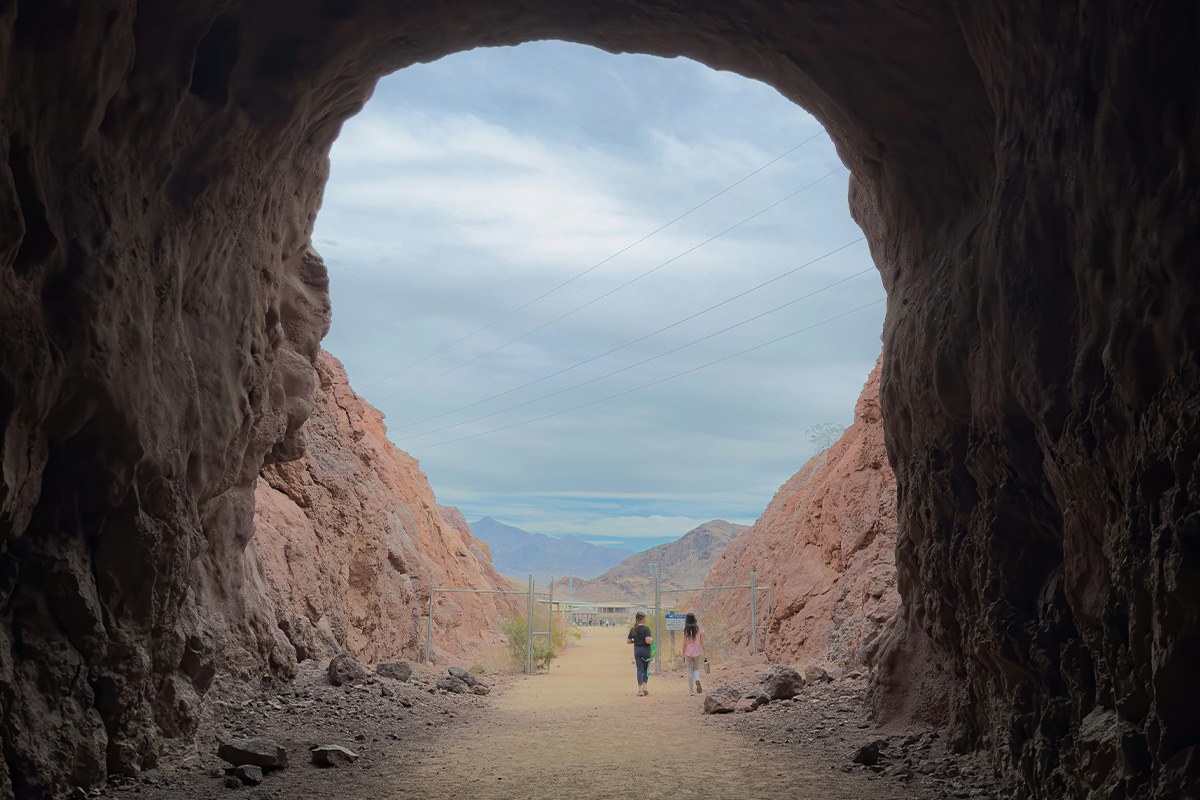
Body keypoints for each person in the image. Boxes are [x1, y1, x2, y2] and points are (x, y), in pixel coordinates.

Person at [626, 611, 654, 696]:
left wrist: (636, 641)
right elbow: (647, 641)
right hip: (646, 650)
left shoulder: (633, 629)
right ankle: (645, 687)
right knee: (646, 669)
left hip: (637, 650)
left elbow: (628, 641)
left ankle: (640, 689)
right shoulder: (646, 629)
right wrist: (652, 640)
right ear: (642, 619)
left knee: (639, 669)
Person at [682, 612, 706, 695]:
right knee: (696, 669)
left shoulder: (686, 630)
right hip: (697, 652)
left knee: (689, 670)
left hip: (688, 653)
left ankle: (691, 690)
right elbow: (702, 641)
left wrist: (683, 655)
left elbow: (684, 643)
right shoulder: (699, 629)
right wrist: (705, 653)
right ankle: (697, 679)